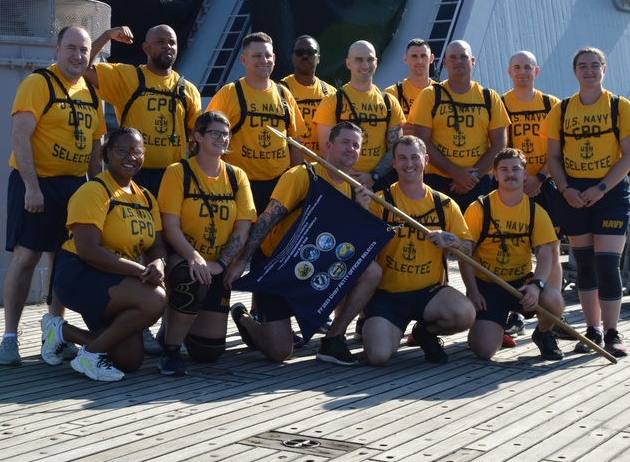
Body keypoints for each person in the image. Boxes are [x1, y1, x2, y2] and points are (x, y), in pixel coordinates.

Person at [223, 122, 383, 366]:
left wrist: (360, 211)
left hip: (315, 263)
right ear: (328, 145)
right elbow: (266, 219)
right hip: (278, 266)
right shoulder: (302, 175)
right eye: (344, 142)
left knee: (372, 270)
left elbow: (349, 243)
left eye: (356, 145)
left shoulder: (354, 189)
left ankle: (334, 338)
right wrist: (242, 261)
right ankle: (245, 319)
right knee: (279, 353)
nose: (351, 149)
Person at [87, 22, 201, 356]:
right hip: (132, 178)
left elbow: (196, 137)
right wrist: (107, 36)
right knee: (130, 248)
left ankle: (165, 326)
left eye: (173, 41)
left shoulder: (187, 89)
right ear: (146, 48)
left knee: (164, 249)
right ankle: (136, 322)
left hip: (170, 180)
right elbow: (85, 69)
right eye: (160, 41)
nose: (168, 46)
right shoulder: (128, 77)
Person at [0, 25, 105, 367]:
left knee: (64, 259)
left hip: (73, 186)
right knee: (26, 256)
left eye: (84, 50)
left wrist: (98, 189)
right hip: (38, 182)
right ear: (56, 49)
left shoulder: (90, 92)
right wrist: (32, 186)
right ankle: (9, 337)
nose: (77, 56)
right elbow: (20, 135)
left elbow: (94, 146)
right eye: (71, 48)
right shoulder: (38, 83)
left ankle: (53, 334)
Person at [542, 47, 630, 357]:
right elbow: (553, 157)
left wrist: (601, 188)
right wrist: (565, 189)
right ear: (575, 72)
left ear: (604, 69)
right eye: (583, 66)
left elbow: (629, 156)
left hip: (609, 193)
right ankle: (592, 331)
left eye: (595, 65)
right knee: (584, 265)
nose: (589, 71)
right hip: (573, 193)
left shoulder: (619, 107)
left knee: (607, 264)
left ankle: (612, 332)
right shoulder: (562, 110)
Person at [46, 127, 168, 381]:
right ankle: (89, 354)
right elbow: (88, 251)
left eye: (137, 151)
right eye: (122, 150)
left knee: (129, 361)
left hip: (117, 279)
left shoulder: (146, 197)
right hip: (81, 276)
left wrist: (158, 263)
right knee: (155, 299)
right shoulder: (93, 191)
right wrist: (140, 271)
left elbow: (156, 246)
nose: (130, 157)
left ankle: (61, 332)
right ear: (106, 154)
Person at [156, 111, 257, 376]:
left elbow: (244, 225)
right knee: (190, 279)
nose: (222, 139)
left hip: (218, 263)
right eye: (215, 133)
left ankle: (179, 322)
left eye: (226, 134)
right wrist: (194, 257)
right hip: (185, 258)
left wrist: (223, 263)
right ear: (197, 136)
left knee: (208, 352)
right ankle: (171, 351)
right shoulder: (178, 172)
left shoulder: (237, 176)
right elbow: (170, 226)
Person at [363, 135, 476, 366]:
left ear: (425, 160)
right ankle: (382, 325)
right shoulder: (379, 202)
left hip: (430, 293)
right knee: (378, 356)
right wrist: (361, 212)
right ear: (393, 163)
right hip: (388, 295)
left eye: (415, 158)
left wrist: (451, 240)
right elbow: (358, 247)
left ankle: (425, 332)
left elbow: (468, 249)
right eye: (402, 158)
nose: (409, 164)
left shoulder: (444, 204)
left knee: (465, 314)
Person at [460, 148, 566, 361]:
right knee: (484, 350)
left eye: (516, 169)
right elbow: (465, 253)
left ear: (525, 174)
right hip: (487, 285)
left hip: (521, 285)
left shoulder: (536, 211)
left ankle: (544, 333)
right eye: (504, 170)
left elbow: (545, 253)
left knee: (554, 299)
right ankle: (494, 325)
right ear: (495, 175)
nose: (510, 174)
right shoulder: (479, 208)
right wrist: (472, 291)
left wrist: (536, 285)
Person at [501, 50, 564, 339]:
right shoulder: (500, 104)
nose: (522, 72)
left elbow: (558, 150)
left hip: (543, 183)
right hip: (512, 184)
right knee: (510, 248)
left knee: (550, 249)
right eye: (517, 67)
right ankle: (509, 313)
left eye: (527, 67)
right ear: (509, 72)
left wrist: (540, 177)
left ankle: (551, 317)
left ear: (536, 72)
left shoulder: (552, 105)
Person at [206, 32, 304, 213]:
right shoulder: (229, 94)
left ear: (274, 58)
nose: (263, 60)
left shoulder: (284, 95)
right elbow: (206, 140)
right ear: (244, 60)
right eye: (257, 56)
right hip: (239, 184)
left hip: (278, 186)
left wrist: (298, 183)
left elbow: (295, 143)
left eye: (267, 55)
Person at [409, 39, 509, 211]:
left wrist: (472, 177)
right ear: (445, 63)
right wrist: (455, 172)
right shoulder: (430, 96)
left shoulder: (489, 98)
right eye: (453, 58)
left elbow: (499, 144)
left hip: (478, 182)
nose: (458, 61)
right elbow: (421, 141)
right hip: (438, 182)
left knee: (477, 236)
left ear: (472, 61)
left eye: (463, 57)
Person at [313, 40, 405, 189]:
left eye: (370, 60)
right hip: (341, 183)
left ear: (376, 62)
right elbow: (325, 149)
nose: (365, 65)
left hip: (378, 183)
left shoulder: (390, 103)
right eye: (359, 60)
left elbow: (395, 148)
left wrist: (374, 176)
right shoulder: (332, 101)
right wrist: (352, 177)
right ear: (348, 64)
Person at [281, 35, 335, 155]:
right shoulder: (280, 90)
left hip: (322, 168)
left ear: (318, 58)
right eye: (300, 52)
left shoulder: (331, 93)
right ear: (292, 57)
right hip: (290, 169)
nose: (305, 56)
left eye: (310, 52)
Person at [384, 38, 436, 133]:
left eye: (423, 56)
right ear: (406, 59)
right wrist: (397, 132)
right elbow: (380, 131)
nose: (419, 61)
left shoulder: (441, 93)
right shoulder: (391, 94)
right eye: (414, 56)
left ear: (431, 59)